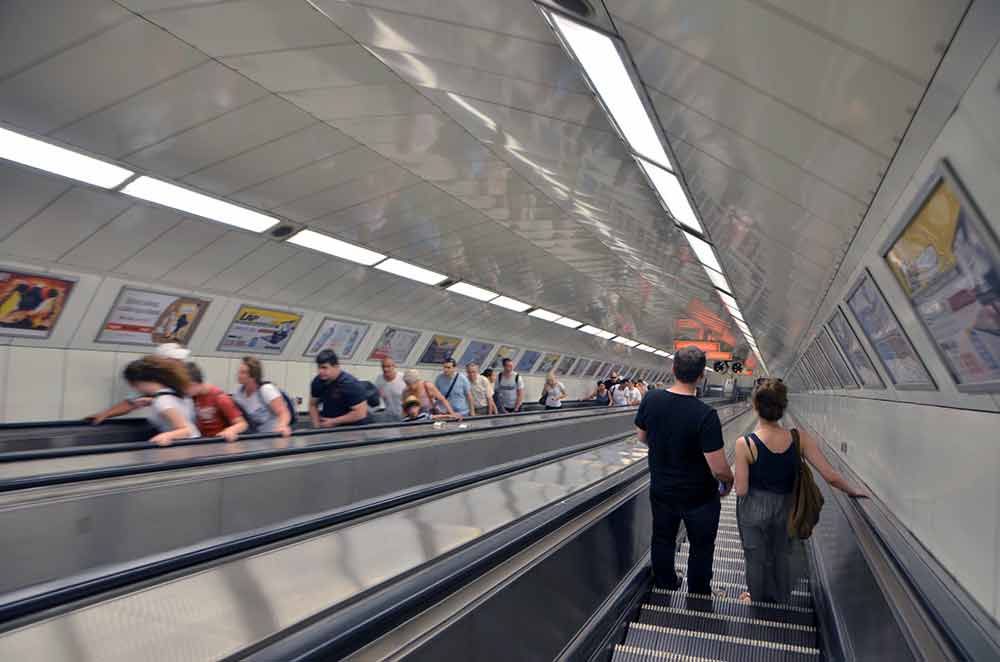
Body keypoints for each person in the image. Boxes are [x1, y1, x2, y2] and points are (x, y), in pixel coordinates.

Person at [734, 378, 866, 604]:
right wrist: (852, 490)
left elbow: (741, 488)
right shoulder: (798, 438)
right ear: (783, 407)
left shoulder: (745, 443)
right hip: (787, 507)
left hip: (753, 508)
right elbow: (830, 475)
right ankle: (781, 597)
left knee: (755, 556)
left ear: (755, 406)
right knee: (782, 553)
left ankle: (755, 597)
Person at [634, 346, 735, 594]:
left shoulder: (651, 399)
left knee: (662, 538)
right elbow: (718, 467)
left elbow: (642, 436)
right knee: (701, 546)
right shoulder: (705, 415)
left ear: (673, 370)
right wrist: (728, 483)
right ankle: (699, 591)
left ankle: (665, 583)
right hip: (699, 497)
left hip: (662, 489)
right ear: (702, 376)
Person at [88, 356, 200, 446]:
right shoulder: (177, 393)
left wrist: (165, 436)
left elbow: (187, 430)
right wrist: (152, 401)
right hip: (192, 444)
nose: (135, 389)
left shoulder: (163, 401)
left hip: (185, 446)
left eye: (134, 385)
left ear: (142, 382)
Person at [310, 349, 374, 427]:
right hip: (332, 426)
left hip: (355, 428)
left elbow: (360, 413)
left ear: (336, 367)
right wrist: (317, 428)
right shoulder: (318, 382)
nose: (320, 371)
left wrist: (334, 421)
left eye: (324, 368)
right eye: (319, 368)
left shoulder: (349, 384)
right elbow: (313, 404)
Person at [186, 363, 247, 442]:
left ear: (193, 384)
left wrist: (230, 431)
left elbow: (242, 424)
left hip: (217, 443)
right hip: (203, 441)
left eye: (185, 388)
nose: (184, 392)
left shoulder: (220, 398)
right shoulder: (195, 396)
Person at [232, 356, 292, 437]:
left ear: (253, 376)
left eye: (243, 372)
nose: (238, 375)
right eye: (239, 372)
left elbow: (283, 412)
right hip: (255, 438)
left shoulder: (266, 390)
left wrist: (282, 425)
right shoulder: (239, 393)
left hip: (273, 436)